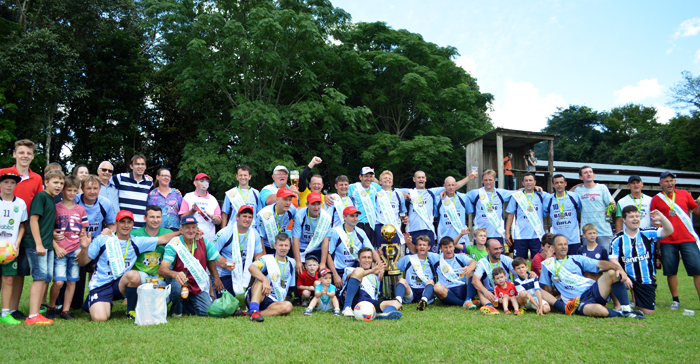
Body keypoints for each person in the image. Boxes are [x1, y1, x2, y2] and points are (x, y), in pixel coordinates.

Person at [79, 210, 180, 321]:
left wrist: (183, 232)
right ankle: (98, 302)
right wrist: (84, 248)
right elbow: (82, 262)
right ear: (116, 223)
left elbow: (162, 239)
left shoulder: (136, 242)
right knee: (100, 319)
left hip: (120, 284)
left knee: (133, 275)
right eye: (122, 222)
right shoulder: (103, 239)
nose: (126, 225)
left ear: (133, 225)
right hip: (101, 285)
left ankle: (131, 312)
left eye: (129, 222)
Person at [539, 234, 643, 319]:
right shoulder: (548, 265)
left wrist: (619, 269)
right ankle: (621, 314)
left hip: (592, 290)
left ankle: (626, 309)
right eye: (560, 244)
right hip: (577, 301)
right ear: (552, 248)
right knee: (599, 311)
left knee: (612, 272)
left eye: (565, 244)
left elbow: (600, 264)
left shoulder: (577, 258)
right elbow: (547, 290)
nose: (563, 247)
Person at [0, 139, 43, 322]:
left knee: (18, 273)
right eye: (21, 152)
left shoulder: (37, 178)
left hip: (24, 233)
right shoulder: (3, 174)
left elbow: (39, 202)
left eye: (28, 153)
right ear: (14, 154)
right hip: (3, 234)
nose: (25, 156)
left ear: (33, 157)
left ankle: (12, 309)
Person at [649, 171, 700, 310]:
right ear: (660, 184)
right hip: (667, 240)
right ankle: (675, 300)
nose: (669, 183)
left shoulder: (684, 194)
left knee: (697, 270)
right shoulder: (656, 199)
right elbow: (655, 221)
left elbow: (697, 211)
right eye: (666, 181)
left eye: (671, 180)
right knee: (671, 271)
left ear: (675, 182)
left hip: (688, 238)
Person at [158, 215, 227, 317]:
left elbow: (219, 260)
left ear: (197, 229)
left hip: (197, 284)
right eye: (187, 227)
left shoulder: (204, 242)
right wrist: (175, 274)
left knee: (206, 312)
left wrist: (227, 263)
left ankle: (185, 305)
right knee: (176, 287)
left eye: (193, 227)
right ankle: (177, 310)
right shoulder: (174, 244)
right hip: (180, 281)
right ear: (181, 230)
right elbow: (162, 270)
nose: (191, 230)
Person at [610, 206, 673, 315]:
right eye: (631, 217)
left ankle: (635, 303)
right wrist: (624, 276)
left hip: (645, 279)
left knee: (648, 312)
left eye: (637, 216)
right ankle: (618, 305)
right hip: (626, 277)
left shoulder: (648, 233)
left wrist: (662, 218)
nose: (635, 219)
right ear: (624, 220)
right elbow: (613, 260)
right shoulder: (617, 239)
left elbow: (669, 230)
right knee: (613, 273)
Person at [22, 169, 64, 325]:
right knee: (39, 277)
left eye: (61, 183)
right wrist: (39, 244)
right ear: (46, 182)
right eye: (55, 182)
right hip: (36, 245)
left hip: (47, 245)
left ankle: (38, 310)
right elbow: (33, 220)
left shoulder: (51, 199)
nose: (58, 185)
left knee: (45, 277)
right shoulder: (41, 197)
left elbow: (45, 224)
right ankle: (32, 316)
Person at [69, 175, 116, 311]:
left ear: (100, 188)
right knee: (76, 268)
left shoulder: (105, 203)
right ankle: (71, 302)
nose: (92, 191)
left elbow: (112, 225)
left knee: (97, 268)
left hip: (95, 242)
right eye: (88, 188)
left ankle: (92, 298)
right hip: (75, 243)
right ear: (82, 189)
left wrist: (106, 231)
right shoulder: (76, 200)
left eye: (95, 188)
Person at [47, 176, 88, 321]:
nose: (72, 193)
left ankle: (66, 310)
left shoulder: (81, 210)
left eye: (75, 191)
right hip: (60, 251)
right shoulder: (55, 207)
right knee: (58, 282)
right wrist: (56, 247)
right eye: (69, 190)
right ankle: (52, 306)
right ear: (63, 190)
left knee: (72, 281)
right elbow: (48, 230)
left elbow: (84, 232)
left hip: (75, 251)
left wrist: (81, 249)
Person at [403, 171, 473, 252]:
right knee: (412, 258)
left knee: (430, 259)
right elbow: (391, 190)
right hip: (413, 230)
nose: (421, 179)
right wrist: (403, 193)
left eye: (423, 177)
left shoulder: (432, 192)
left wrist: (468, 178)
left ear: (425, 179)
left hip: (429, 231)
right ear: (414, 179)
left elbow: (451, 187)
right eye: (418, 177)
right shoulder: (410, 191)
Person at [213, 205, 264, 304]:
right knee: (224, 304)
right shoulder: (224, 233)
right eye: (244, 216)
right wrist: (216, 278)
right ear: (237, 217)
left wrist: (258, 268)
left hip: (246, 271)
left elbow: (259, 255)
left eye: (250, 217)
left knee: (261, 269)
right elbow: (211, 257)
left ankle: (252, 294)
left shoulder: (255, 234)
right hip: (226, 273)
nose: (247, 219)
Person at [322, 206, 381, 289]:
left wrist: (380, 266)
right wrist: (335, 275)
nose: (355, 218)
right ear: (344, 217)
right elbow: (328, 254)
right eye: (352, 216)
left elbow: (372, 250)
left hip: (355, 269)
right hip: (339, 270)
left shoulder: (361, 232)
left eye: (356, 216)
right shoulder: (336, 232)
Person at [339, 247, 402, 320]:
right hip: (353, 295)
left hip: (367, 300)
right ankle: (347, 308)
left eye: (369, 258)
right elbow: (351, 277)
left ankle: (384, 314)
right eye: (364, 257)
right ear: (358, 259)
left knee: (396, 303)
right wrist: (371, 271)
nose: (367, 260)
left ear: (372, 259)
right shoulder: (350, 269)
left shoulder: (375, 276)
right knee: (359, 270)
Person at [246, 233, 296, 322]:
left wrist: (282, 301)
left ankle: (253, 313)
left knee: (288, 306)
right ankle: (254, 309)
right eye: (280, 245)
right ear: (275, 246)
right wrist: (264, 279)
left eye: (286, 245)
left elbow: (285, 287)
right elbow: (252, 267)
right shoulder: (266, 259)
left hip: (274, 301)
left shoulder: (292, 262)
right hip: (260, 294)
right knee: (260, 281)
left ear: (289, 247)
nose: (283, 248)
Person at [0, 172, 28, 325]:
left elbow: (22, 226)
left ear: (16, 185)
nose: (9, 185)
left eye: (12, 182)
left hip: (10, 250)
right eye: (5, 182)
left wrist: (17, 242)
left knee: (9, 279)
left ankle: (5, 313)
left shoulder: (21, 204)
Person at [572, 166, 615, 251]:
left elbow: (613, 208)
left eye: (590, 172)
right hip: (587, 232)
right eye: (585, 172)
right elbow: (566, 196)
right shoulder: (578, 190)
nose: (588, 174)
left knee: (607, 260)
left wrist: (612, 206)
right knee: (590, 260)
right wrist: (576, 186)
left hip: (604, 231)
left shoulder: (602, 187)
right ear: (581, 177)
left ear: (594, 175)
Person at [466, 169, 514, 247]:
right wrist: (445, 191)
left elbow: (519, 193)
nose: (488, 182)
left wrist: (533, 187)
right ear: (482, 180)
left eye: (490, 180)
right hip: (480, 235)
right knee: (479, 259)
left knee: (497, 258)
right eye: (486, 180)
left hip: (497, 233)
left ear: (494, 180)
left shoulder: (501, 193)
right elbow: (458, 196)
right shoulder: (475, 193)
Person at [471, 239, 519, 315]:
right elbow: (475, 280)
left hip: (507, 292)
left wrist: (529, 273)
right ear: (488, 250)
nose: (499, 251)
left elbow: (519, 272)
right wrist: (485, 292)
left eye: (500, 248)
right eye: (496, 249)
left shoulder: (506, 259)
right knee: (480, 290)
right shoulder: (482, 262)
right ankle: (490, 307)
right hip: (491, 294)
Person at [505, 173, 546, 259]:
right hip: (520, 236)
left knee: (538, 263)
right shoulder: (517, 196)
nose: (528, 182)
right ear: (523, 183)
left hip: (537, 236)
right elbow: (510, 215)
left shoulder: (542, 195)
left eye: (530, 180)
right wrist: (507, 232)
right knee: (518, 263)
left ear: (535, 182)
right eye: (526, 180)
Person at [394, 235, 438, 311]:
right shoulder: (408, 259)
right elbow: (394, 267)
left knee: (431, 281)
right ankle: (398, 302)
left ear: (429, 247)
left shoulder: (432, 260)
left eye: (424, 245)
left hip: (425, 290)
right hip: (411, 291)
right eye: (420, 245)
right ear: (416, 246)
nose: (422, 247)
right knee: (401, 280)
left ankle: (423, 301)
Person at [131, 206, 172, 286]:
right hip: (138, 277)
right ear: (145, 218)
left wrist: (197, 233)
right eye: (152, 217)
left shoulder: (169, 233)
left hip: (159, 279)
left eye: (158, 217)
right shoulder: (134, 234)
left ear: (161, 218)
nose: (155, 220)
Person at [293, 192, 333, 274]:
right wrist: (298, 261)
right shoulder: (299, 215)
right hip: (302, 249)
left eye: (318, 204)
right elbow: (295, 240)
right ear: (307, 204)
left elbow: (325, 241)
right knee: (298, 271)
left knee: (322, 275)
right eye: (313, 204)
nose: (316, 207)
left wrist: (322, 263)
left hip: (318, 249)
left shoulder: (326, 217)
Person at [432, 237, 477, 309]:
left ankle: (468, 299)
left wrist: (469, 268)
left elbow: (474, 262)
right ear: (440, 248)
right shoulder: (436, 258)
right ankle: (464, 303)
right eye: (445, 247)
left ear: (454, 246)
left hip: (463, 289)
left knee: (473, 271)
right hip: (447, 291)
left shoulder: (460, 256)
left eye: (450, 247)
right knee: (436, 287)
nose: (448, 250)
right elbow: (421, 252)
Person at [543, 174, 582, 253]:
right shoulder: (548, 199)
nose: (559, 185)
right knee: (559, 263)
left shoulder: (574, 196)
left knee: (574, 262)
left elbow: (581, 211)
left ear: (565, 183)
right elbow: (544, 214)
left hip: (573, 239)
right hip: (557, 240)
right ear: (553, 184)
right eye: (556, 183)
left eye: (561, 182)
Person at [111, 154, 153, 229]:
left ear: (145, 167)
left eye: (142, 164)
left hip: (141, 227)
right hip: (123, 225)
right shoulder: (120, 178)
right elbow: (104, 184)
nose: (140, 166)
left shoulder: (149, 183)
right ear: (131, 166)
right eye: (137, 164)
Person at [179, 173, 221, 241]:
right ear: (195, 183)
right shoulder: (188, 197)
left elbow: (219, 221)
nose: (205, 183)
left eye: (207, 181)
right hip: (191, 238)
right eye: (201, 180)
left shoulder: (213, 200)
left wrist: (212, 217)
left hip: (209, 239)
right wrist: (192, 210)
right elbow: (182, 218)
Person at [436, 176, 472, 250]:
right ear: (444, 186)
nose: (451, 187)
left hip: (461, 240)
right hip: (444, 239)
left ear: (456, 185)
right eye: (448, 185)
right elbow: (435, 215)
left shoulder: (464, 197)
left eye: (453, 185)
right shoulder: (438, 199)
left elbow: (470, 212)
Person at [256, 188, 297, 255]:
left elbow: (300, 216)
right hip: (267, 246)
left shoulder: (291, 209)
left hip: (282, 245)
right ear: (277, 200)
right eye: (285, 199)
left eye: (290, 200)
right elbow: (260, 238)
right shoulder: (264, 214)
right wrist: (264, 258)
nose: (288, 203)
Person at [347, 167, 381, 245]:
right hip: (357, 223)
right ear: (360, 177)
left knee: (369, 249)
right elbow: (340, 193)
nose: (368, 179)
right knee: (356, 248)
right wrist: (327, 196)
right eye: (366, 176)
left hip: (371, 224)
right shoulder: (353, 187)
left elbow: (387, 189)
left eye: (370, 176)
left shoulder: (375, 187)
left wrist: (405, 194)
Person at [374, 171, 408, 249]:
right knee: (381, 251)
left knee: (395, 251)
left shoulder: (398, 194)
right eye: (385, 178)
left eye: (390, 178)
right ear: (380, 182)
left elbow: (403, 211)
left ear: (392, 182)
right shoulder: (376, 194)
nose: (387, 180)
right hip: (380, 225)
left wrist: (405, 218)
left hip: (394, 226)